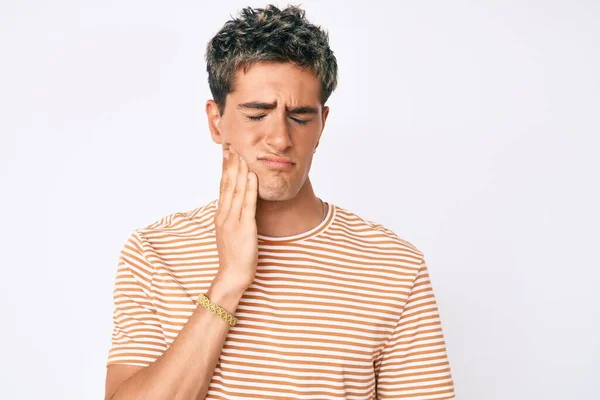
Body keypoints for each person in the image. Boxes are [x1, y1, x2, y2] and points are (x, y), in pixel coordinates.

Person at [104, 4, 455, 399]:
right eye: (257, 114)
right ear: (216, 120)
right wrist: (229, 281)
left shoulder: (395, 267)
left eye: (300, 117)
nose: (280, 138)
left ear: (322, 124)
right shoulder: (154, 252)